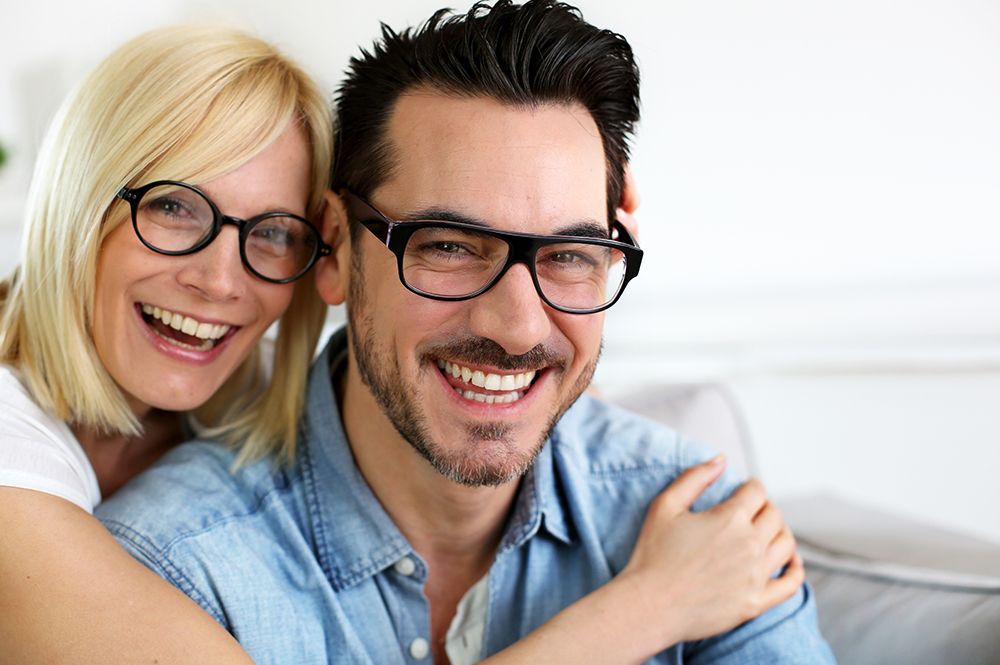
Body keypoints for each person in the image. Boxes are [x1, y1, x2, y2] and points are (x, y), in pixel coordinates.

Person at [0, 19, 806, 665]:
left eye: (566, 254)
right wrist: (649, 607)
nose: (219, 282)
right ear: (341, 253)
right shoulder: (161, 554)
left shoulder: (693, 516)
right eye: (448, 245)